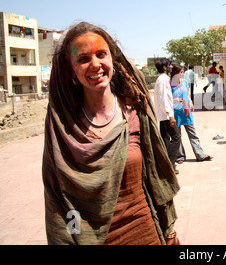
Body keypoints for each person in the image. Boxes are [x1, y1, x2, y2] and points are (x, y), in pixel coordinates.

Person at [42, 22, 180, 245]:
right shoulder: (64, 130)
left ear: (112, 60)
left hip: (145, 230)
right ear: (72, 71)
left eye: (101, 54)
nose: (95, 65)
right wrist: (72, 237)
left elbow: (155, 176)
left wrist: (169, 230)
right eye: (83, 59)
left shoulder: (135, 111)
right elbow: (60, 201)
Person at [171, 64, 213, 162]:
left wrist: (190, 101)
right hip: (175, 113)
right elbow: (167, 99)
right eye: (180, 72)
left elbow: (187, 93)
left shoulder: (185, 82)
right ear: (175, 73)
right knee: (177, 136)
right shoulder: (169, 85)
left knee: (192, 133)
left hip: (186, 111)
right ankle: (180, 156)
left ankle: (200, 155)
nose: (182, 74)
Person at [154, 58, 181, 174]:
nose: (171, 67)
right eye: (169, 65)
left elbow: (164, 97)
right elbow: (163, 98)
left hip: (162, 114)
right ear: (164, 67)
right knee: (176, 138)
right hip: (166, 115)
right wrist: (170, 115)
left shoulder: (161, 79)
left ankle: (165, 165)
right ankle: (170, 164)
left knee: (165, 140)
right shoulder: (164, 79)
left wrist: (174, 100)